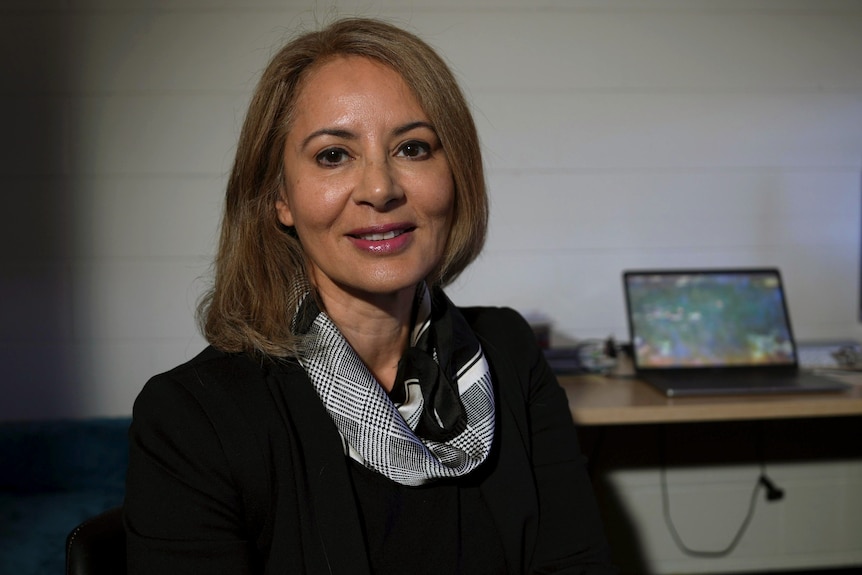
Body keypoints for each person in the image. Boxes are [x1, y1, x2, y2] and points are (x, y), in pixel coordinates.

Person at [124, 17, 616, 575]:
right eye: (333, 155)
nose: (381, 189)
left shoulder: (509, 353)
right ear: (279, 197)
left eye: (412, 147)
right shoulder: (192, 417)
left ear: (455, 176)